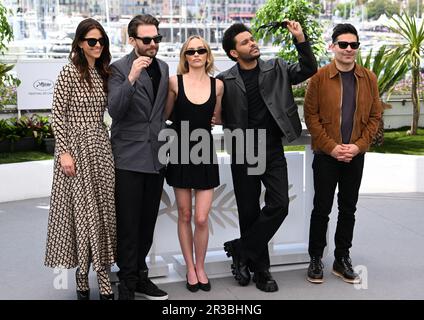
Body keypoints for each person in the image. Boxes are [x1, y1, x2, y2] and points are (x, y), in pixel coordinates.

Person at [217, 22, 317, 292]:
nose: (252, 43)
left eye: (252, 39)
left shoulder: (277, 68)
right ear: (233, 53)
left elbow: (308, 69)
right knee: (248, 212)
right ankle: (261, 270)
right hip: (243, 148)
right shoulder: (224, 80)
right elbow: (209, 108)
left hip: (271, 147)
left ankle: (241, 250)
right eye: (245, 42)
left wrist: (300, 39)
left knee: (280, 204)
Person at [304, 23, 382, 284]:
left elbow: (375, 116)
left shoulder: (369, 78)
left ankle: (341, 258)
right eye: (344, 44)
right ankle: (316, 258)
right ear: (333, 46)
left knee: (348, 208)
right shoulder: (319, 78)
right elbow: (311, 118)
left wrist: (358, 146)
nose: (349, 49)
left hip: (355, 156)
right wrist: (332, 147)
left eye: (354, 45)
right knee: (321, 209)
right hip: (327, 156)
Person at [44, 18, 116, 300]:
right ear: (79, 43)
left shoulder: (103, 74)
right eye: (92, 41)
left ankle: (101, 271)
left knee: (104, 214)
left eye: (101, 41)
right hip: (73, 150)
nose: (97, 45)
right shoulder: (68, 72)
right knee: (83, 215)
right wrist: (63, 152)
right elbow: (57, 115)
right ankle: (87, 276)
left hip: (100, 146)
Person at [108, 14, 169, 300]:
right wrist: (132, 76)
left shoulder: (164, 67)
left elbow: (161, 111)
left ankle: (140, 276)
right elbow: (116, 111)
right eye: (147, 39)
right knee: (128, 225)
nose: (153, 43)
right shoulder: (118, 69)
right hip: (128, 157)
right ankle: (127, 284)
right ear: (132, 40)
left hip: (157, 157)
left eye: (156, 38)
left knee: (147, 223)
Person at [164, 35, 224, 293]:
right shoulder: (174, 82)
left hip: (205, 152)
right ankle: (190, 268)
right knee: (185, 215)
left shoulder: (218, 86)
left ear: (208, 55)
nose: (196, 55)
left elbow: (217, 118)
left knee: (201, 218)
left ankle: (201, 266)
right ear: (184, 56)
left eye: (201, 50)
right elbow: (166, 115)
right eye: (190, 52)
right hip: (179, 151)